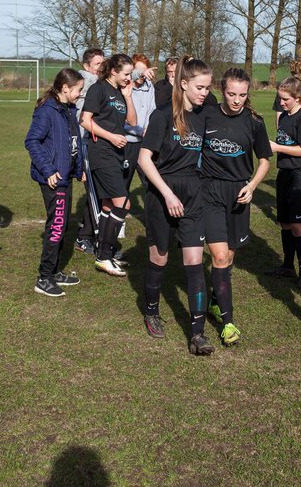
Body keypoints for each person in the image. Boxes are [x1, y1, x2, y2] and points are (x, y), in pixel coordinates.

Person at [135, 56, 215, 351]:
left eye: (208, 87)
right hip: (162, 192)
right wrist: (168, 194)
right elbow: (144, 159)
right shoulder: (162, 116)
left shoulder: (207, 115)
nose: (205, 93)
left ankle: (197, 333)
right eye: (200, 87)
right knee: (160, 258)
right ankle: (152, 312)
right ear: (183, 84)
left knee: (194, 263)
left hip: (193, 193)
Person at [199, 67, 272, 347]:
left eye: (242, 94)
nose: (236, 100)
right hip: (211, 191)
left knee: (228, 256)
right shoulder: (206, 115)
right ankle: (228, 323)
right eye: (231, 94)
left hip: (239, 193)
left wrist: (252, 186)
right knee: (218, 256)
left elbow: (264, 159)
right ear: (222, 90)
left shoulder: (254, 121)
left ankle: (217, 300)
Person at [24, 69, 86, 296]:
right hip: (53, 179)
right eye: (78, 90)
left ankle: (55, 270)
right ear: (65, 88)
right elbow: (32, 141)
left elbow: (74, 141)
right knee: (57, 226)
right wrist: (48, 169)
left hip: (66, 176)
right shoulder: (47, 111)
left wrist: (79, 169)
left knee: (63, 225)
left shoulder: (68, 109)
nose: (80, 93)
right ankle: (44, 278)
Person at [81, 53, 138, 277]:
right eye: (126, 73)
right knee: (123, 204)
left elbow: (132, 122)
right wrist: (111, 137)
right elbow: (85, 120)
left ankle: (103, 254)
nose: (128, 77)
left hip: (116, 154)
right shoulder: (98, 89)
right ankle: (104, 255)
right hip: (101, 153)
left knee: (108, 206)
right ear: (113, 71)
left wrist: (128, 96)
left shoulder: (120, 92)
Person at [265, 75, 301, 287]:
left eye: (286, 99)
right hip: (284, 173)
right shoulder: (284, 117)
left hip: (300, 176)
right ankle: (287, 266)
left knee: (297, 225)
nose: (281, 102)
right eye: (280, 98)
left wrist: (277, 147)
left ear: (299, 98)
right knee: (284, 222)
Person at [74, 48, 105, 255]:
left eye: (104, 64)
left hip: (97, 145)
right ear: (86, 67)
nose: (101, 68)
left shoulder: (98, 84)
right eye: (97, 65)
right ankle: (88, 238)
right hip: (84, 145)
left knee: (99, 193)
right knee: (94, 193)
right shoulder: (87, 82)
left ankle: (86, 235)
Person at [123, 54, 157, 197]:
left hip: (144, 143)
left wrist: (149, 130)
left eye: (145, 71)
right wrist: (139, 131)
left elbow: (151, 111)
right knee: (123, 181)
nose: (143, 75)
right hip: (127, 143)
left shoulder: (149, 86)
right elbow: (120, 121)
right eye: (140, 72)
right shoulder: (124, 87)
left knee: (151, 182)